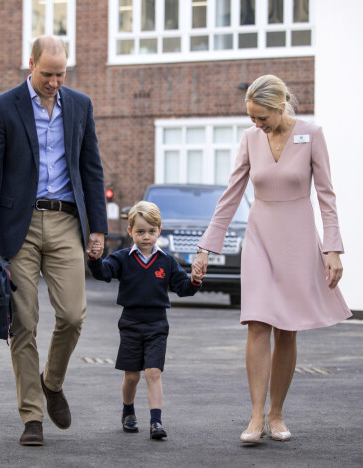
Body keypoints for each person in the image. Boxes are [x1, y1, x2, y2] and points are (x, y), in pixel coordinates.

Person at [192, 75, 352, 444]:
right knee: (257, 323)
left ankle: (277, 414)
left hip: (297, 239)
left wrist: (332, 249)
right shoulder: (250, 139)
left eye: (261, 117)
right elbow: (231, 196)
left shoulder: (311, 134)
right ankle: (255, 416)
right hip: (260, 238)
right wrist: (206, 248)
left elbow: (326, 196)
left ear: (281, 106)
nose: (256, 124)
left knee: (286, 327)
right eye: (251, 117)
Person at [0, 35, 108, 446]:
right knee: (24, 323)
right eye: (47, 73)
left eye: (61, 74)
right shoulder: (2, 107)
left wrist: (98, 229)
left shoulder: (80, 106)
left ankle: (52, 382)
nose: (54, 81)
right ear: (30, 64)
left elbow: (92, 169)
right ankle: (32, 416)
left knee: (72, 315)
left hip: (68, 221)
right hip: (20, 226)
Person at [87, 201, 202, 439]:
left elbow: (182, 287)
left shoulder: (166, 261)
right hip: (130, 323)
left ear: (159, 230)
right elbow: (103, 273)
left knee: (153, 372)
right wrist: (96, 259)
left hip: (157, 324)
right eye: (140, 231)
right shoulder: (122, 258)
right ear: (130, 232)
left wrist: (195, 280)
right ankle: (128, 411)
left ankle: (156, 422)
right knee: (132, 376)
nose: (146, 237)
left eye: (151, 231)